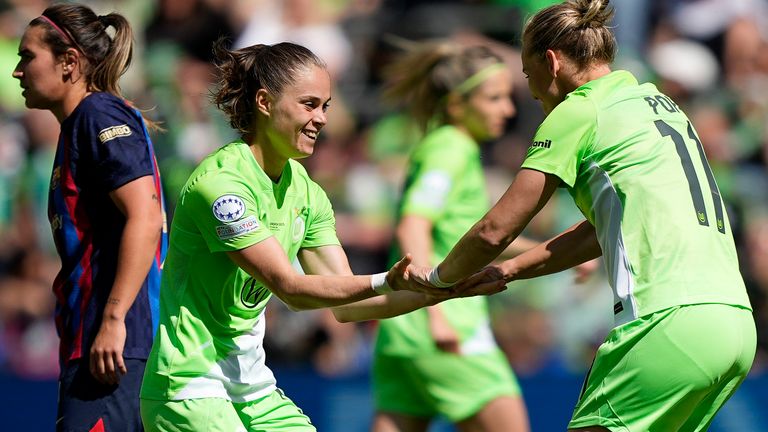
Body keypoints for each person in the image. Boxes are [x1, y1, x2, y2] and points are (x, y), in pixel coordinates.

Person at [406, 1, 756, 431]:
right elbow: (599, 231)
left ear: (550, 62)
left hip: (665, 321)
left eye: (526, 73)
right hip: (735, 323)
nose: (530, 92)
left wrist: (437, 281)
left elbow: (495, 229)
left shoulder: (579, 110)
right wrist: (510, 271)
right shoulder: (656, 102)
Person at [138, 40, 505, 432]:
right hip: (188, 389)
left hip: (251, 390)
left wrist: (444, 288)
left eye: (326, 106)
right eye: (309, 104)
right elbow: (291, 288)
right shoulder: (222, 186)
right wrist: (388, 279)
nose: (322, 118)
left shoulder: (307, 192)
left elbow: (349, 304)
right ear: (264, 102)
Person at [12, 3, 168, 432]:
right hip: (98, 343)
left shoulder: (98, 115)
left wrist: (114, 320)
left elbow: (147, 215)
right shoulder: (80, 125)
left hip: (116, 345)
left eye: (28, 56)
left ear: (69, 62)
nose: (17, 71)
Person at [371, 41, 531, 432]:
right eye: (494, 98)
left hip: (400, 331)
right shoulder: (451, 150)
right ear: (457, 104)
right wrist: (435, 312)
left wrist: (563, 251)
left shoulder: (446, 147)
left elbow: (468, 235)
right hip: (442, 326)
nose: (508, 110)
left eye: (508, 97)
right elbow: (413, 224)